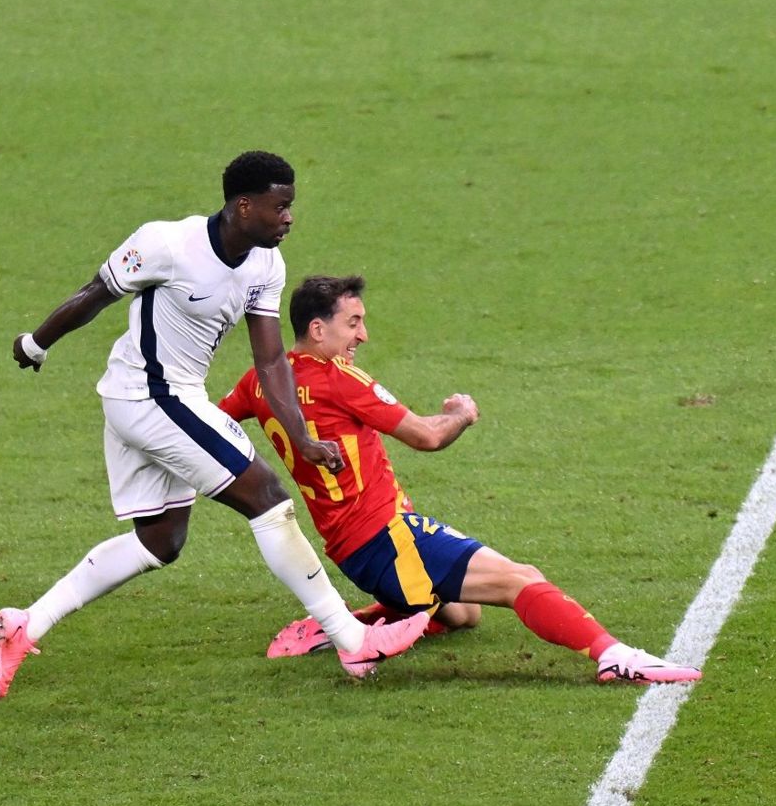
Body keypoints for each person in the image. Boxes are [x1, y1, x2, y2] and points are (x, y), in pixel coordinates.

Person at [0, 152, 433, 697]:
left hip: (166, 399)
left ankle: (25, 623)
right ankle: (350, 638)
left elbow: (271, 363)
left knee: (161, 540)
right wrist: (35, 343)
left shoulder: (266, 265)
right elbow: (94, 295)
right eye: (280, 207)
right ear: (243, 206)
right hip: (148, 395)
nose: (289, 217)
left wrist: (301, 437)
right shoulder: (166, 244)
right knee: (266, 496)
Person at [216, 274, 700, 685]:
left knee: (465, 614)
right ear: (317, 329)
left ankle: (347, 622)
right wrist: (462, 415)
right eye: (353, 323)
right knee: (521, 578)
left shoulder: (257, 382)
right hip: (387, 537)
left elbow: (210, 426)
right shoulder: (339, 378)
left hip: (351, 550)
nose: (362, 336)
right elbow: (426, 437)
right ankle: (616, 658)